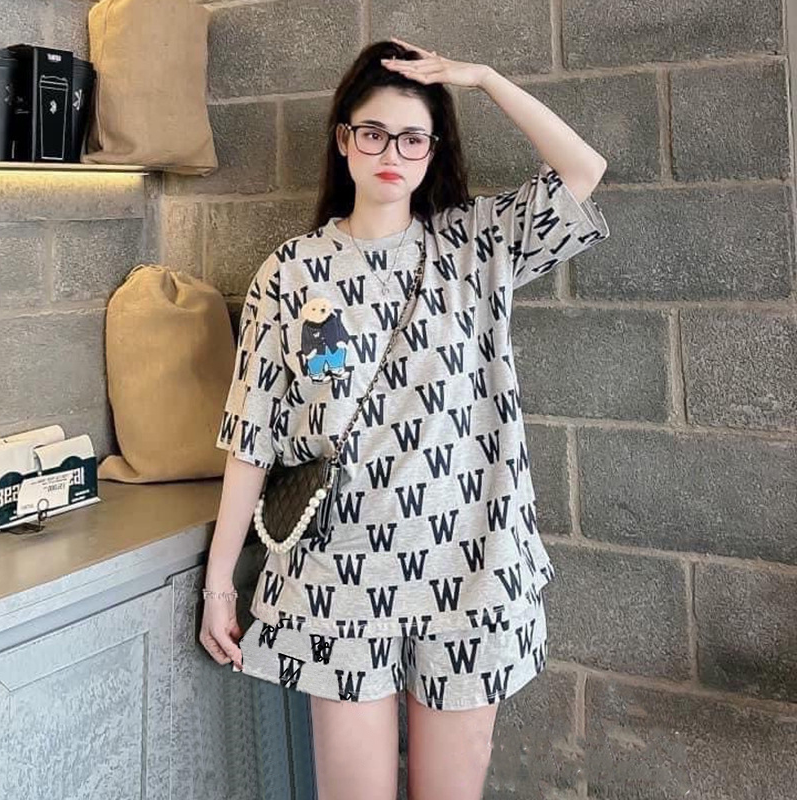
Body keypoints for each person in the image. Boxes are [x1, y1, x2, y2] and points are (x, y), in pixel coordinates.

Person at [200, 36, 610, 800]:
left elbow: (583, 171)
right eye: (374, 133)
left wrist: (482, 78)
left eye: (413, 138)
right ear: (343, 141)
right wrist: (220, 582)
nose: (393, 153)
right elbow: (251, 436)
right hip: (338, 574)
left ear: (433, 151)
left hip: (472, 567)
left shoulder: (474, 244)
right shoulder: (290, 272)